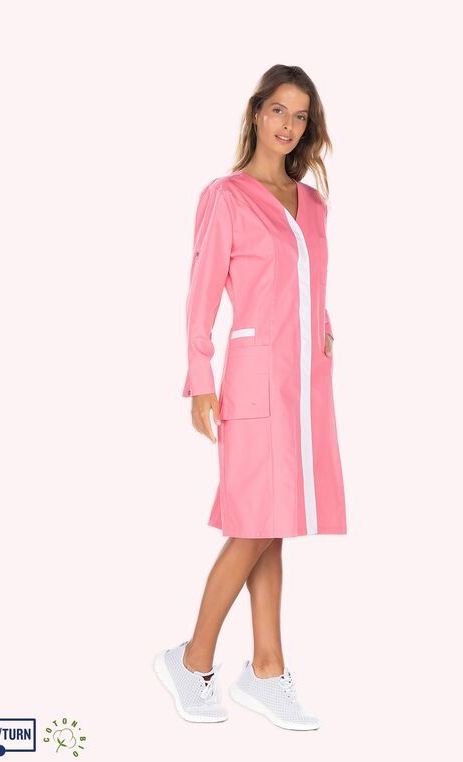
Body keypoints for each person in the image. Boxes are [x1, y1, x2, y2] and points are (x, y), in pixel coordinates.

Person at [154, 64, 347, 731]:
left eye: (301, 115)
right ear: (257, 112)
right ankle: (192, 660)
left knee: (276, 520)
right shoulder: (226, 196)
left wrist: (326, 330)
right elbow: (201, 293)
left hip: (306, 383)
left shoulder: (312, 204)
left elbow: (310, 285)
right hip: (254, 379)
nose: (288, 125)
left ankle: (266, 668)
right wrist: (199, 379)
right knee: (254, 523)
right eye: (279, 110)